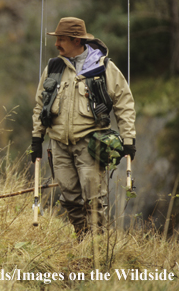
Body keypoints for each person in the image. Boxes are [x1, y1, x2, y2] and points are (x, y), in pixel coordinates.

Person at [31, 17, 136, 238]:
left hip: (91, 144)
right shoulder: (53, 67)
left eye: (62, 40)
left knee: (95, 198)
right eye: (56, 39)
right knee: (69, 198)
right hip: (58, 145)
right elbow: (41, 104)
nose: (57, 44)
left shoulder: (104, 67)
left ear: (76, 40)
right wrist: (36, 139)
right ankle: (82, 237)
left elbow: (124, 103)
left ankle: (96, 246)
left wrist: (128, 140)